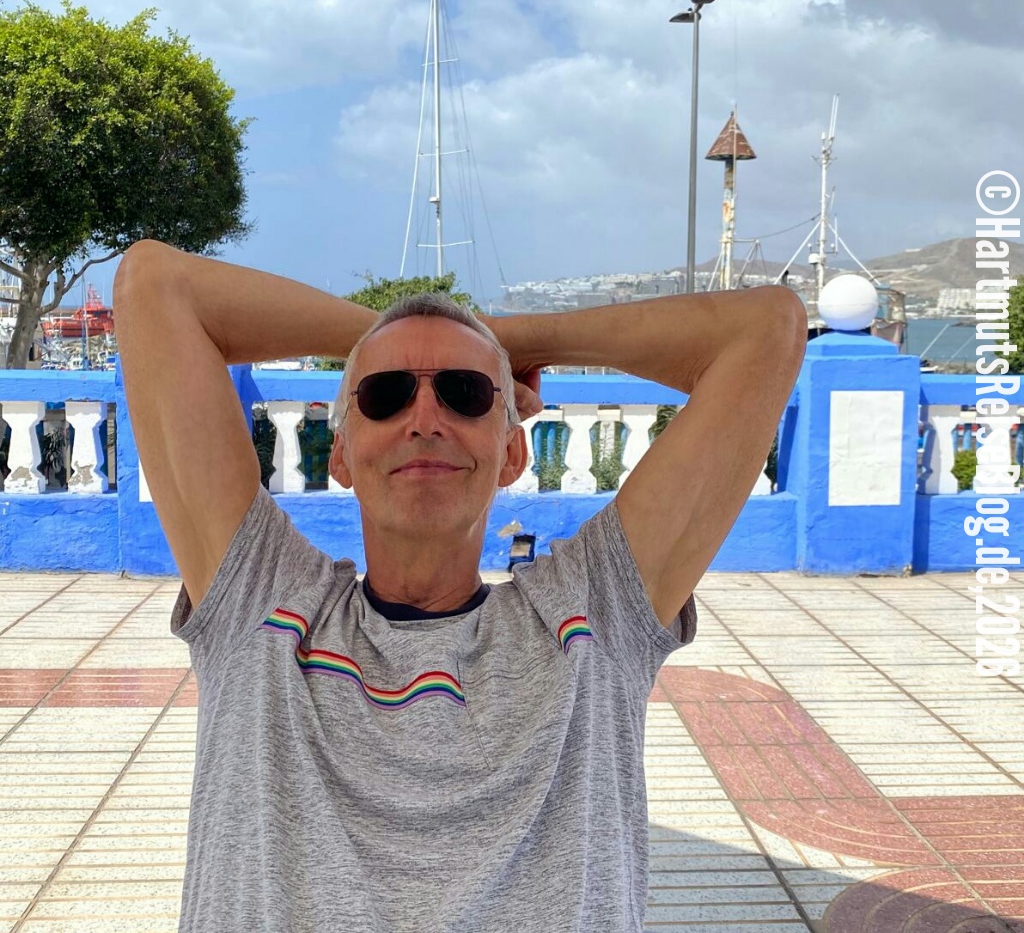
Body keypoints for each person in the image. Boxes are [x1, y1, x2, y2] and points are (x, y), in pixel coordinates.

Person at [114, 239, 806, 933]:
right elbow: (155, 285)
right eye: (385, 394)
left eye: (465, 393)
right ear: (341, 454)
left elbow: (766, 328)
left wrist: (492, 338)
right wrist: (424, 336)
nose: (424, 421)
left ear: (511, 451)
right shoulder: (260, 605)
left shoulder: (593, 614)